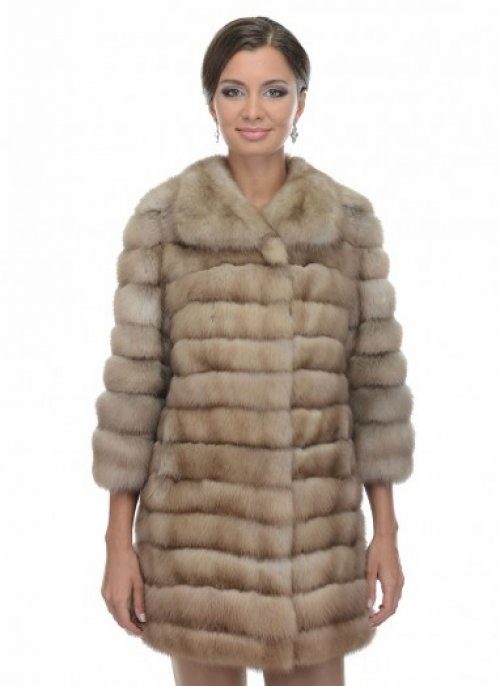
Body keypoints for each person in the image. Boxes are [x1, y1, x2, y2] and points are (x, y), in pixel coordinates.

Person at [91, 16, 415, 686]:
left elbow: (376, 394)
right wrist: (117, 544)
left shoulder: (349, 224)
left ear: (301, 101)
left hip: (316, 548)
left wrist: (385, 533)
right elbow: (132, 399)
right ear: (211, 101)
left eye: (274, 90)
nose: (254, 110)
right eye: (234, 91)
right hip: (197, 547)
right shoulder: (163, 222)